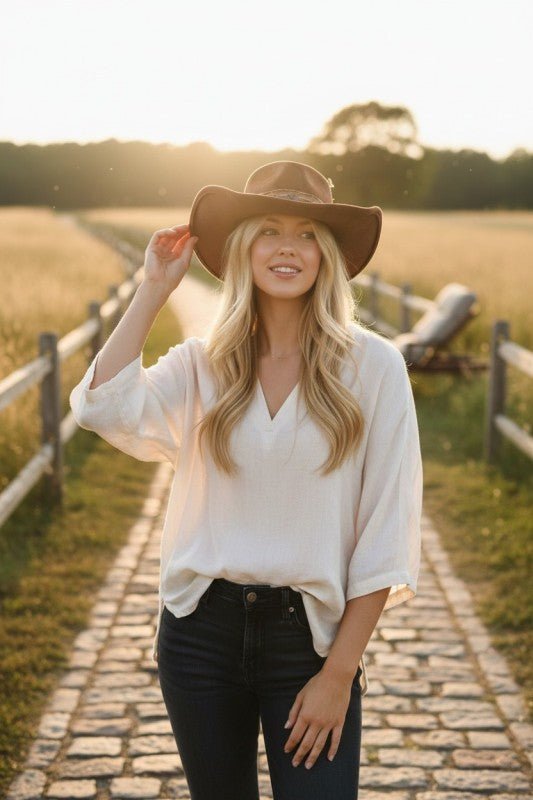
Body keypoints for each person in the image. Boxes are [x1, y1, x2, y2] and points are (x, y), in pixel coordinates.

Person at [69, 160, 423, 800]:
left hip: (309, 642)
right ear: (243, 249)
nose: (288, 247)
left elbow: (385, 534)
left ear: (329, 257)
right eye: (269, 230)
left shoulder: (374, 367)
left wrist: (338, 675)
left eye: (309, 233)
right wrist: (153, 289)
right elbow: (102, 406)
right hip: (200, 633)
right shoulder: (205, 363)